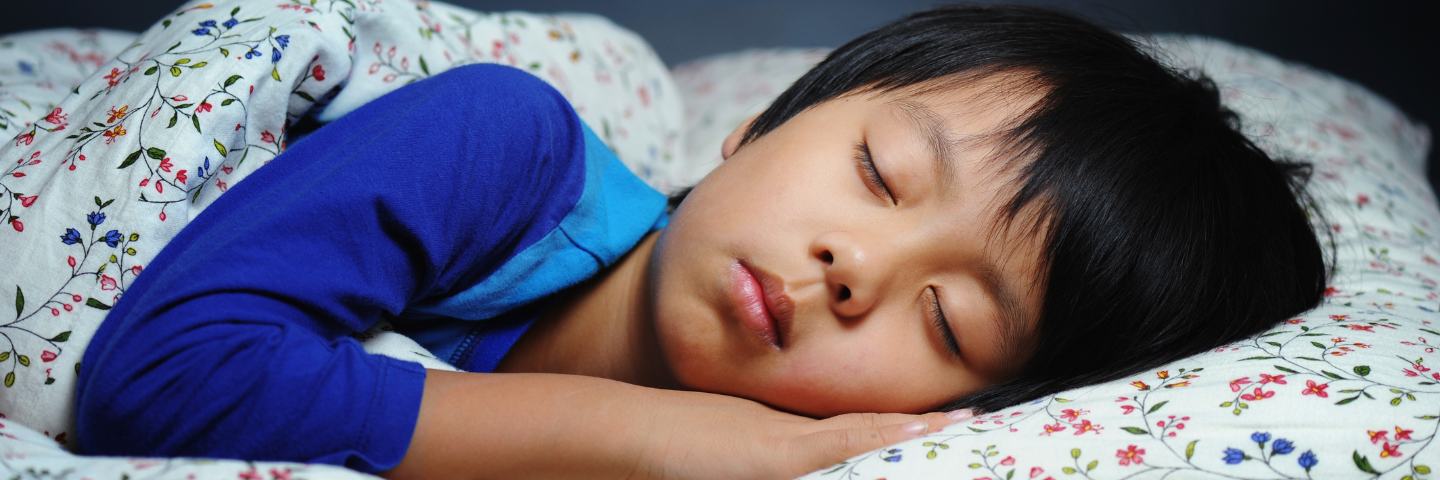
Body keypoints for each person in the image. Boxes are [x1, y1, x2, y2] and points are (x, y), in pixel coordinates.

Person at [73, 4, 1327, 479]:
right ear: (755, 128)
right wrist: (643, 432)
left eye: (946, 322)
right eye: (879, 175)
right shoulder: (493, 142)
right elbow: (162, 378)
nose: (854, 269)